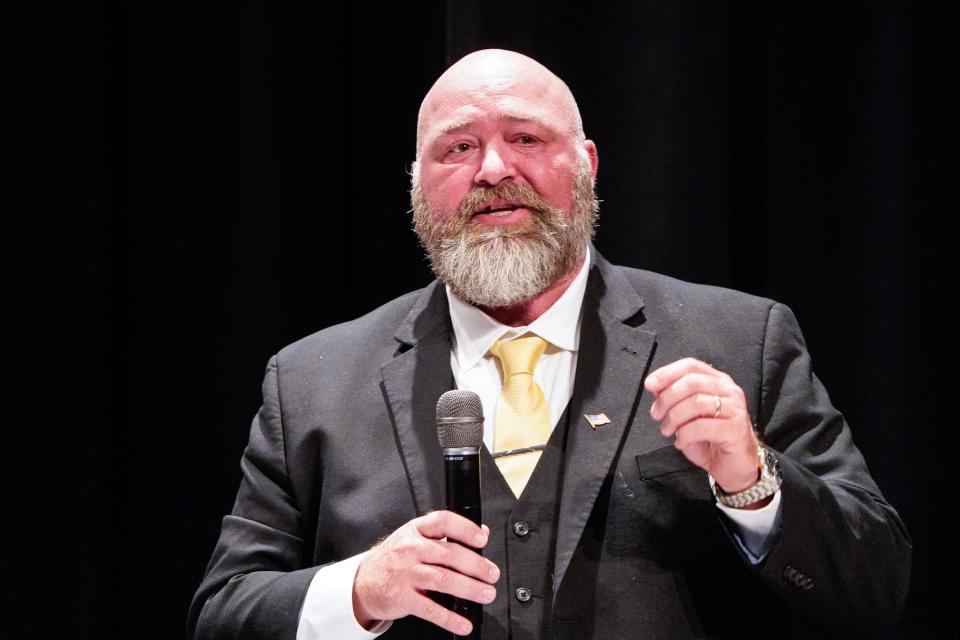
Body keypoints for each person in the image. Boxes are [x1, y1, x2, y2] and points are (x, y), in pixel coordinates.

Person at [188, 49, 911, 640]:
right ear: (416, 188)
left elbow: (874, 588)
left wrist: (752, 481)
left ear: (588, 165)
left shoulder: (739, 340)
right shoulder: (313, 381)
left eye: (526, 139)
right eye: (458, 148)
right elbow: (224, 614)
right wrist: (360, 590)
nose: (494, 170)